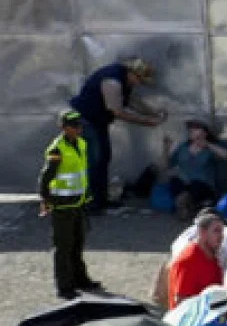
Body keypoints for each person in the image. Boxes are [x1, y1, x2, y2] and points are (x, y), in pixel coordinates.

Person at [70, 58, 167, 213]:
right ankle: (91, 201)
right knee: (95, 160)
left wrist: (153, 112)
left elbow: (131, 101)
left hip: (97, 121)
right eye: (139, 80)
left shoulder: (124, 81)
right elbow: (118, 111)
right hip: (86, 121)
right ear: (132, 73)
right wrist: (147, 122)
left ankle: (100, 199)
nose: (139, 84)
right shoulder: (112, 81)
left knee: (103, 158)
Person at [40, 111, 100, 298]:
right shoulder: (57, 149)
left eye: (79, 125)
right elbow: (46, 177)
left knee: (77, 244)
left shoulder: (81, 144)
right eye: (74, 126)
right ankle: (64, 287)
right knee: (63, 247)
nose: (78, 129)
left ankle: (80, 279)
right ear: (64, 128)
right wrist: (45, 199)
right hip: (62, 206)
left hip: (78, 203)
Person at [166, 211, 226, 307]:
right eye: (216, 231)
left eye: (222, 231)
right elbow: (181, 302)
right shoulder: (189, 261)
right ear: (202, 233)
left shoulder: (212, 253)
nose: (221, 236)